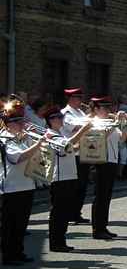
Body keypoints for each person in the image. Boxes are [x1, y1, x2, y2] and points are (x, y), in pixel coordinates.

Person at [43, 107, 92, 252]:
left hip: (69, 175)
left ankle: (61, 241)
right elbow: (66, 145)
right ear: (50, 121)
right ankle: (56, 242)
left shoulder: (59, 133)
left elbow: (71, 148)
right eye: (56, 118)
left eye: (60, 117)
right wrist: (82, 130)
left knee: (65, 211)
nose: (60, 120)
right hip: (59, 177)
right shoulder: (50, 135)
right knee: (59, 212)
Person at [0, 100, 41, 265]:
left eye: (22, 121)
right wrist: (38, 144)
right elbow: (17, 158)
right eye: (19, 122)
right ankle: (9, 255)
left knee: (22, 223)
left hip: (27, 184)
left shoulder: (23, 137)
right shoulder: (4, 138)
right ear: (9, 124)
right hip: (11, 186)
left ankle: (18, 252)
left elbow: (39, 154)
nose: (23, 124)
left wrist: (36, 140)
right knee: (9, 224)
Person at [90, 97, 127, 240]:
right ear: (96, 109)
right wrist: (116, 123)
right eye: (104, 108)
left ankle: (103, 226)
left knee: (106, 196)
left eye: (108, 108)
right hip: (100, 162)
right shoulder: (93, 123)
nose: (107, 111)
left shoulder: (111, 123)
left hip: (112, 161)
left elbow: (122, 139)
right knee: (99, 197)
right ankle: (97, 229)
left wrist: (122, 124)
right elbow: (98, 138)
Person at [61, 88, 91, 225]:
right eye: (78, 98)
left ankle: (76, 212)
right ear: (71, 99)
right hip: (71, 153)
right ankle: (68, 213)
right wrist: (89, 122)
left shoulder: (79, 112)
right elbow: (74, 128)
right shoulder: (65, 113)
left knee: (82, 185)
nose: (81, 101)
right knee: (73, 186)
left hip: (84, 152)